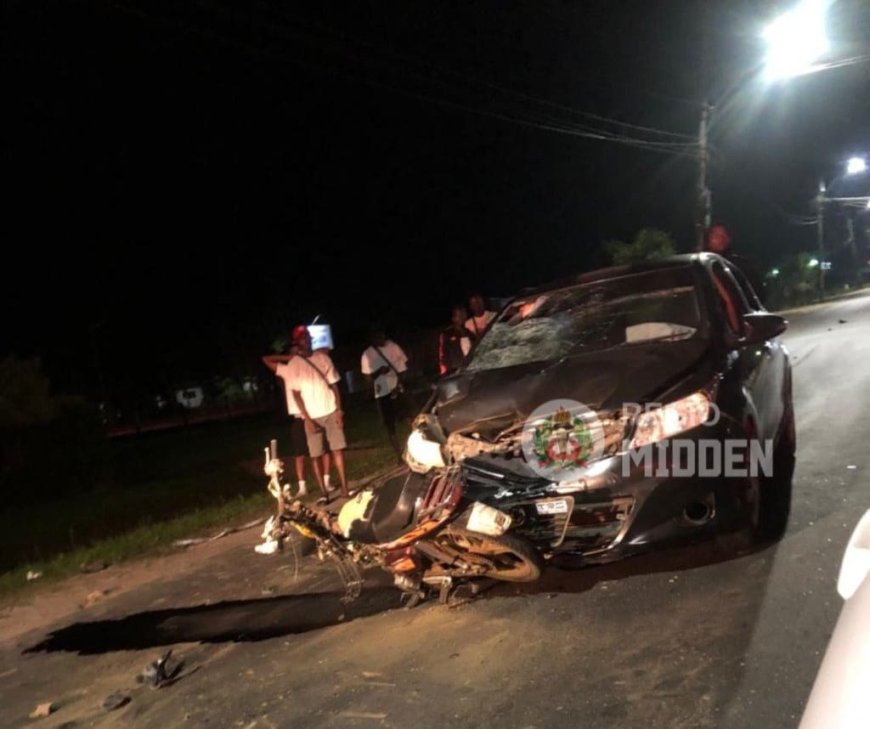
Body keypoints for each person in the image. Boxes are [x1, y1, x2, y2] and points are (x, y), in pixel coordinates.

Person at [282, 324, 350, 501]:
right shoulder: (294, 364)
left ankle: (344, 487)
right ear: (297, 343)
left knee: (337, 450)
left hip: (330, 410)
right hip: (311, 415)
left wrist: (339, 410)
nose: (307, 341)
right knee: (315, 455)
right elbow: (296, 395)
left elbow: (335, 385)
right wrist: (307, 418)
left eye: (308, 337)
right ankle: (324, 493)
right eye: (303, 338)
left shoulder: (323, 358)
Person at [261, 340, 315, 498]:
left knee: (319, 450)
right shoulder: (286, 369)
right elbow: (266, 359)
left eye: (298, 352)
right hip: (298, 416)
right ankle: (302, 486)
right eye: (293, 352)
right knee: (299, 453)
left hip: (314, 412)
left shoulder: (309, 365)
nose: (296, 355)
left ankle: (325, 482)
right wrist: (287, 357)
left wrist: (302, 356)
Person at [360, 326, 409, 462]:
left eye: (382, 335)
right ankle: (399, 455)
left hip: (397, 389)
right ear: (372, 339)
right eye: (378, 337)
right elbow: (368, 380)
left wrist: (399, 385)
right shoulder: (367, 355)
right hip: (382, 393)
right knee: (390, 426)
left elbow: (403, 368)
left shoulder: (393, 347)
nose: (382, 339)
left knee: (407, 419)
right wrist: (378, 372)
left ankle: (413, 449)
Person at [706, 224, 767, 305]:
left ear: (729, 239)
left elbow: (757, 294)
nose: (721, 238)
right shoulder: (702, 269)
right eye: (716, 235)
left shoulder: (741, 265)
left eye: (724, 235)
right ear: (708, 242)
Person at [439, 305, 475, 376]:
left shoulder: (470, 334)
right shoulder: (447, 334)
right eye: (459, 315)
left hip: (470, 371)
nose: (462, 317)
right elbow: (444, 357)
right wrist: (449, 373)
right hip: (456, 373)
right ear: (453, 318)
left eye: (463, 315)